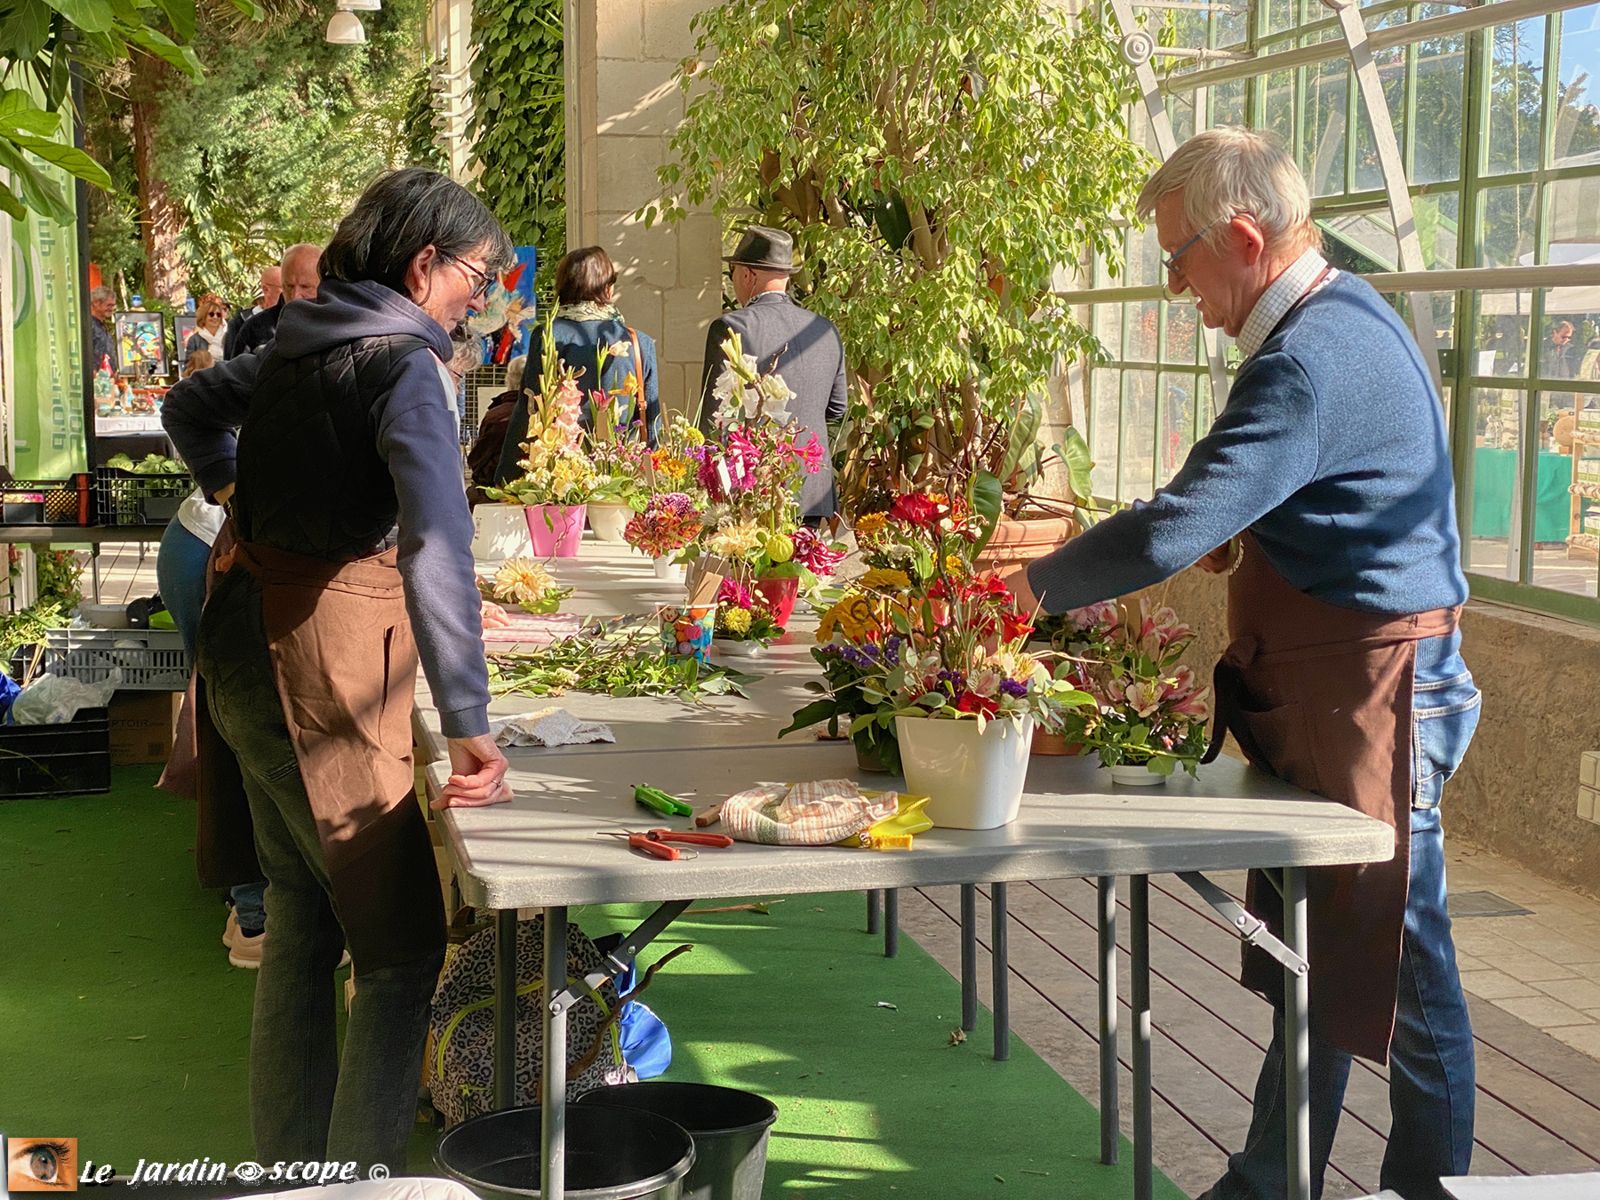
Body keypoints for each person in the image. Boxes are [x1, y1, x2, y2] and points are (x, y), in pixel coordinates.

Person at [1004, 128, 1478, 1200]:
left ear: (1246, 239)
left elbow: (1173, 526)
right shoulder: (1339, 316)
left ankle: (1429, 1188)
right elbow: (1315, 494)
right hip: (1343, 692)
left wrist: (1019, 593)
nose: (1176, 286)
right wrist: (1258, 527)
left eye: (1179, 257)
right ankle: (1269, 1181)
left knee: (1405, 973)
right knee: (1319, 956)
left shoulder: (1305, 359)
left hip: (1381, 698)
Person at [162, 167, 514, 1171]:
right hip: (314, 669)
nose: (478, 300)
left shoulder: (297, 338)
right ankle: (356, 1186)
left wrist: (230, 487)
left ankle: (295, 1176)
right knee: (398, 954)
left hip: (241, 649)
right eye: (476, 277)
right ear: (424, 263)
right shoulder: (407, 365)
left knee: (304, 922)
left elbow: (190, 407)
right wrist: (470, 724)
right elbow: (437, 548)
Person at [696, 225, 847, 525]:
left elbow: (713, 417)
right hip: (812, 488)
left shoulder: (732, 327)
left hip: (755, 488)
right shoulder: (825, 329)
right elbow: (838, 408)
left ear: (748, 275)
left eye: (733, 272)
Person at [491, 246, 660, 485]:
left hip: (562, 476)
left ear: (564, 286)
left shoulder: (549, 335)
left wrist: (506, 478)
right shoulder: (638, 342)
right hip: (623, 475)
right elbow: (651, 419)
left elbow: (530, 407)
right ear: (607, 287)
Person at [232, 244, 321, 357]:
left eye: (305, 287)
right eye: (289, 286)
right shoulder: (254, 329)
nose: (296, 296)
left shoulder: (336, 327)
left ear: (323, 285)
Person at [467, 353, 525, 500]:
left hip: (495, 489)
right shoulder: (550, 414)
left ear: (509, 379)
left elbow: (477, 460)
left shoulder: (497, 414)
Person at [224, 265, 282, 358]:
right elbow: (231, 361)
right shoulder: (240, 322)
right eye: (283, 287)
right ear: (266, 289)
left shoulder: (291, 318)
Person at [185, 294, 229, 363]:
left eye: (218, 314)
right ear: (203, 316)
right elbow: (189, 365)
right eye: (211, 314)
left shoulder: (227, 337)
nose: (215, 317)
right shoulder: (194, 339)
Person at [89, 285, 116, 371]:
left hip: (107, 376)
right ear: (96, 303)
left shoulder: (103, 326)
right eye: (108, 305)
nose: (111, 309)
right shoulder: (88, 325)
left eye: (113, 306)